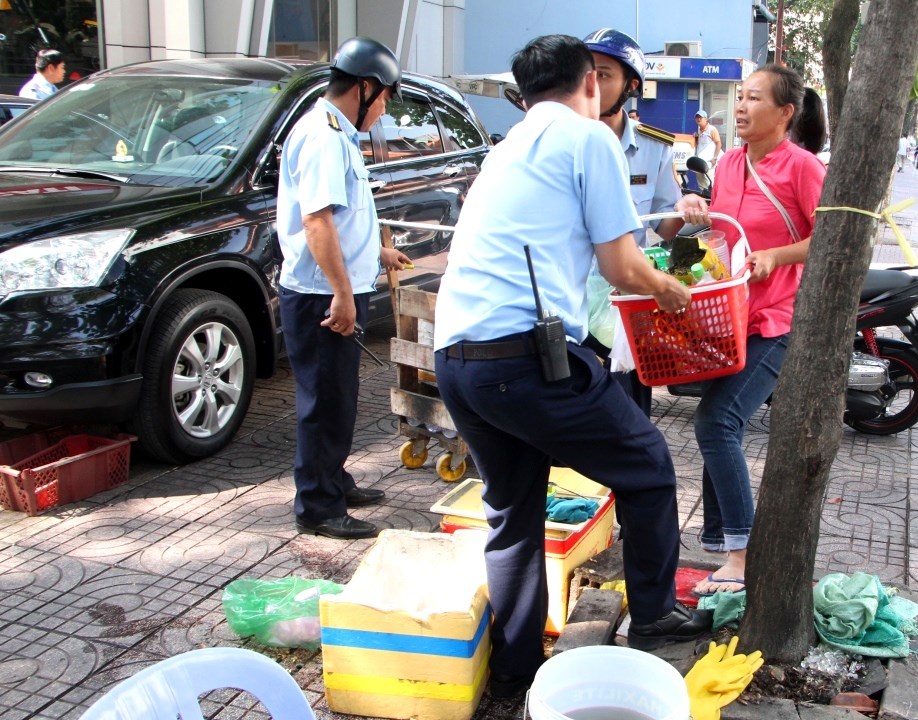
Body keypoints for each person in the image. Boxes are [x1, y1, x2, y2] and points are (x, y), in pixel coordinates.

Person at [432, 34, 710, 698]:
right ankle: (652, 616)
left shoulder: (507, 149)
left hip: (457, 361)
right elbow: (621, 265)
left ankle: (515, 672)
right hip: (523, 363)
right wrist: (669, 289)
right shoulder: (590, 140)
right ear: (590, 82)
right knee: (647, 468)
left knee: (513, 511)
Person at [675, 64, 827, 596]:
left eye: (754, 98)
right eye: (739, 97)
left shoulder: (803, 167)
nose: (740, 107)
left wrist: (775, 258)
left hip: (776, 320)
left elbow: (834, 237)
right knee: (718, 425)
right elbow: (722, 233)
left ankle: (743, 556)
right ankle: (724, 548)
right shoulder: (731, 161)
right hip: (729, 319)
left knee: (716, 423)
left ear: (785, 112)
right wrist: (694, 210)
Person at [275, 37, 410, 540]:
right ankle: (317, 505)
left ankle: (333, 480)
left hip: (333, 288)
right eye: (386, 99)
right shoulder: (323, 136)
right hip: (320, 295)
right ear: (366, 87)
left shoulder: (337, 135)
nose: (384, 111)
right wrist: (343, 293)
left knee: (339, 398)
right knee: (323, 403)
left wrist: (377, 253)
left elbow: (344, 217)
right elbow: (316, 222)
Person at [582, 27, 684, 414]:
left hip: (628, 307)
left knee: (631, 416)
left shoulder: (654, 147)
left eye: (604, 74)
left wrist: (684, 204)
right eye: (586, 72)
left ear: (632, 85)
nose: (591, 83)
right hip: (568, 306)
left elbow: (665, 227)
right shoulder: (565, 142)